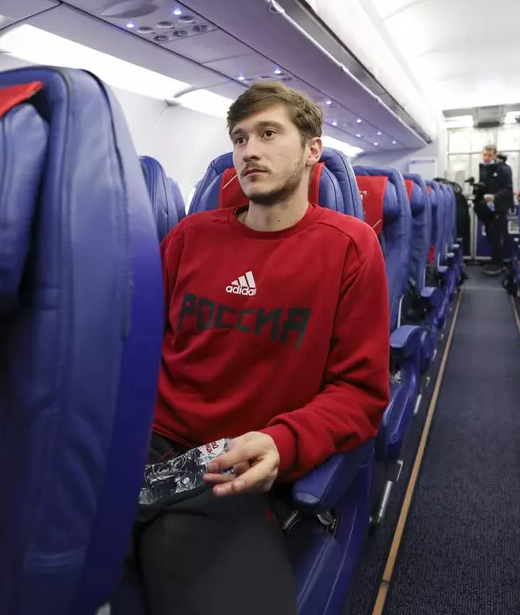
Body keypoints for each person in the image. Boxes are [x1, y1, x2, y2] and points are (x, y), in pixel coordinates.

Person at [131, 81, 391, 614]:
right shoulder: (188, 237)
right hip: (145, 448)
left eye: (269, 133)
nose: (250, 150)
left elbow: (360, 391)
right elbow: (136, 344)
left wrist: (283, 442)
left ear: (312, 149)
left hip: (236, 464)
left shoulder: (349, 246)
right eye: (240, 138)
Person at [472, 144, 513, 276]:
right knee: (490, 234)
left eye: (489, 155)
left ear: (495, 155)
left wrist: (495, 196)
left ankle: (498, 264)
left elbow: (508, 189)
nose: (486, 158)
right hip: (488, 209)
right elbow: (486, 186)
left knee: (497, 236)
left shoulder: (504, 169)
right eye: (484, 155)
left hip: (499, 207)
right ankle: (494, 261)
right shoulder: (485, 169)